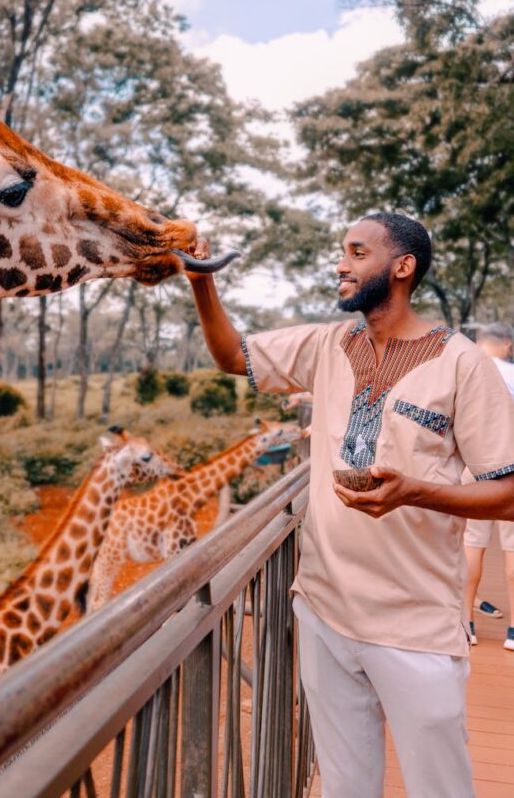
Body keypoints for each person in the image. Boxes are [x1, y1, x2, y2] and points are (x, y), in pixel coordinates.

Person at [185, 212, 514, 798]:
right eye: (343, 252)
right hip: (324, 610)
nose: (341, 264)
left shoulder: (464, 364)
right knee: (344, 786)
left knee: (442, 787)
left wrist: (417, 491)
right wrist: (201, 281)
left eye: (357, 253)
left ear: (402, 267)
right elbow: (234, 355)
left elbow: (508, 494)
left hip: (415, 625)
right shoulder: (326, 345)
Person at [462, 323, 514, 648]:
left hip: (474, 467)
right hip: (512, 468)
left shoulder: (468, 373)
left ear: (480, 344)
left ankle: (466, 624)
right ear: (507, 345)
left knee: (472, 544)